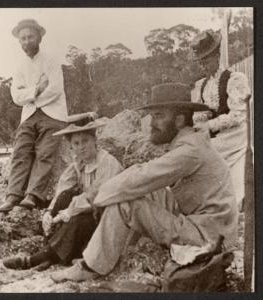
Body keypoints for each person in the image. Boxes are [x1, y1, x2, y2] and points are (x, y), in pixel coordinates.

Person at [50, 82, 238, 282]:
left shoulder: (190, 151)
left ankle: (90, 267)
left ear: (180, 120)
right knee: (139, 191)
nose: (151, 123)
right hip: (206, 226)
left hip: (209, 237)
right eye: (152, 116)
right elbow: (144, 179)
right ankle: (116, 255)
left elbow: (143, 176)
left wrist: (89, 199)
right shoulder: (190, 143)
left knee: (126, 201)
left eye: (159, 116)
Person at [2, 114, 123, 270]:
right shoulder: (79, 164)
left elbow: (97, 196)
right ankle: (51, 255)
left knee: (77, 219)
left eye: (85, 141)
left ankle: (36, 259)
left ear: (94, 140)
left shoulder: (107, 162)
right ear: (71, 146)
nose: (81, 147)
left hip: (108, 218)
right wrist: (50, 212)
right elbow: (63, 190)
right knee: (65, 197)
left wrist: (68, 212)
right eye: (76, 143)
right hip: (88, 211)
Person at [0, 19, 68, 212]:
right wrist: (36, 89)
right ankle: (13, 196)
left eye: (30, 37)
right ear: (19, 41)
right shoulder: (20, 66)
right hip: (29, 115)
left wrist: (30, 95)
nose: (26, 41)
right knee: (20, 151)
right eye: (23, 38)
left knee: (45, 153)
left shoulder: (51, 59)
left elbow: (55, 89)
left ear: (39, 37)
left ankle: (33, 195)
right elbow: (16, 96)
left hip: (53, 114)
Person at [189, 30, 251, 208]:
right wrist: (197, 123)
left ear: (217, 56)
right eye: (200, 62)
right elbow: (202, 112)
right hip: (216, 134)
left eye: (206, 61)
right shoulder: (202, 85)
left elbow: (238, 115)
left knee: (203, 152)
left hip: (234, 136)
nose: (203, 66)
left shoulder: (234, 79)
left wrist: (208, 126)